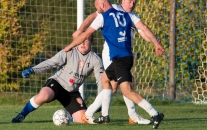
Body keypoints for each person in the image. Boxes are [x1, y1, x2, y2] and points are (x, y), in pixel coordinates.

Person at [64, 0, 165, 129]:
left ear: (101, 5)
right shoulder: (125, 14)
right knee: (106, 79)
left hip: (120, 57)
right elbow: (144, 28)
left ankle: (154, 114)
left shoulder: (108, 16)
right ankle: (106, 115)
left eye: (135, 1)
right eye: (130, 1)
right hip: (115, 55)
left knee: (125, 89)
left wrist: (70, 46)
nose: (132, 3)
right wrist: (155, 43)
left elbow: (143, 32)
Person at [11, 34, 103, 124]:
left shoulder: (96, 60)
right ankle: (22, 115)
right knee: (44, 96)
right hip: (57, 83)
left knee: (84, 120)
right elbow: (51, 62)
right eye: (80, 40)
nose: (82, 43)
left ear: (91, 42)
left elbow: (100, 81)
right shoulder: (69, 51)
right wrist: (32, 70)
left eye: (86, 40)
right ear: (77, 41)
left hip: (71, 92)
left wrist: (100, 100)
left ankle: (68, 118)